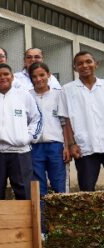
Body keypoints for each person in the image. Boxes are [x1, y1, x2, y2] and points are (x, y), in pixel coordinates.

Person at [0, 63, 42, 200]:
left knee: (25, 192)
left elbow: (37, 118)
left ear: (12, 77)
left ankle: (28, 222)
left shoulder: (24, 96)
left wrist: (28, 137)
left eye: (6, 74)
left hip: (20, 152)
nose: (2, 77)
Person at [58, 51, 104, 191]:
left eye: (88, 61)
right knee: (86, 190)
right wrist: (71, 144)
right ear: (74, 67)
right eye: (80, 63)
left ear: (96, 64)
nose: (85, 65)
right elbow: (65, 120)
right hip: (84, 147)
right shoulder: (67, 90)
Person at [29, 62, 70, 197]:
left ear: (49, 75)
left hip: (55, 145)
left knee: (59, 184)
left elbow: (64, 122)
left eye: (42, 75)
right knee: (37, 185)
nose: (38, 79)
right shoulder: (26, 96)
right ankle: (41, 217)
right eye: (34, 76)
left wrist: (66, 146)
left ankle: (59, 217)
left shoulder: (59, 94)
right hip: (34, 146)